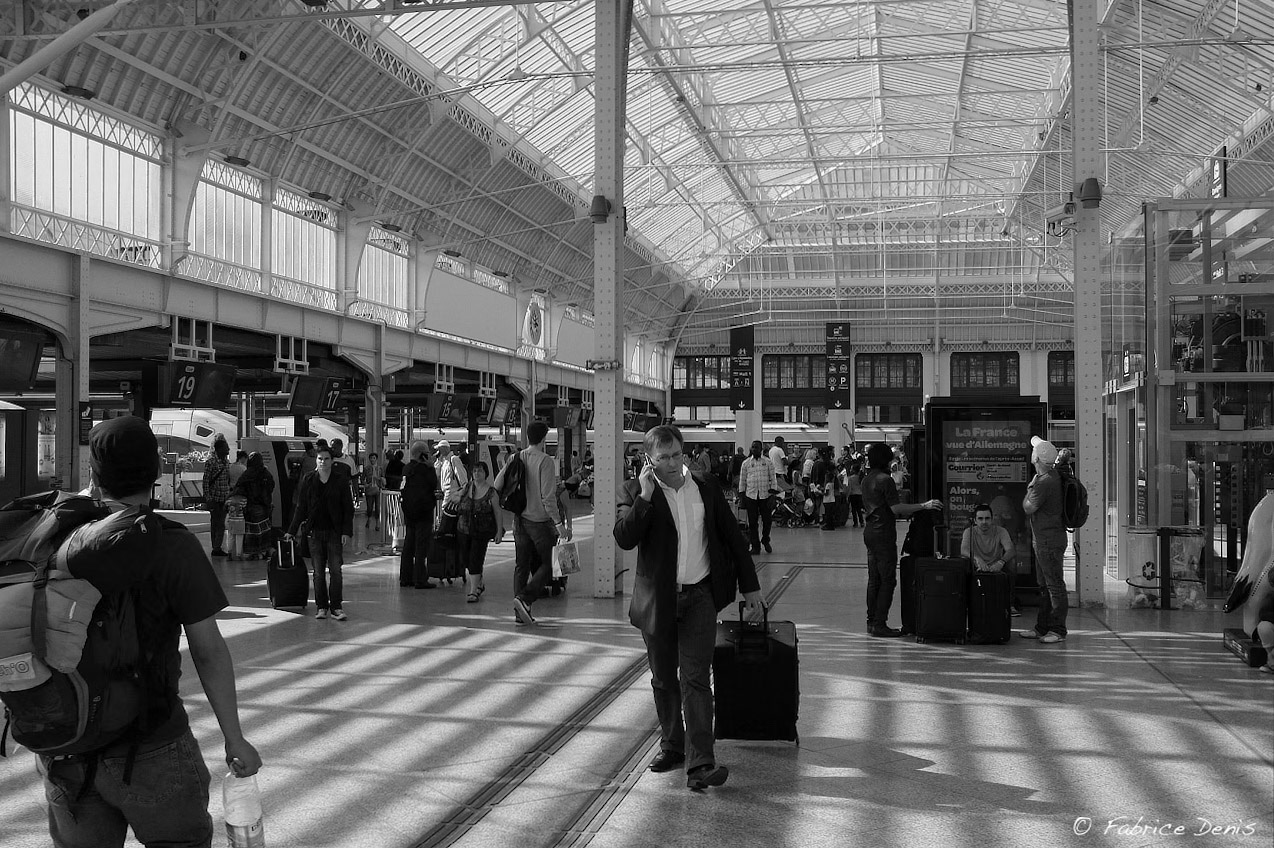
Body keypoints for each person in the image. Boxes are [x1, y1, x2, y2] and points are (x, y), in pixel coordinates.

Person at [36, 415, 261, 847]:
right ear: (155, 473)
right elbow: (208, 651)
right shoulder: (173, 544)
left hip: (67, 748)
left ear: (94, 475)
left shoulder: (57, 538)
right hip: (153, 743)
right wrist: (234, 738)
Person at [614, 425, 763, 792]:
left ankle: (701, 763)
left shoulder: (706, 486)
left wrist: (751, 588)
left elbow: (733, 537)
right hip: (658, 600)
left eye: (676, 455)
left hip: (700, 596)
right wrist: (645, 497)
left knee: (695, 678)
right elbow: (625, 537)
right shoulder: (633, 491)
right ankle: (672, 745)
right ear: (648, 460)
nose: (671, 463)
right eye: (662, 458)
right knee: (664, 678)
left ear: (684, 453)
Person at [862, 442, 942, 637]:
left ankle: (871, 620)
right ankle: (880, 623)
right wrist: (924, 505)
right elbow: (896, 509)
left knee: (874, 579)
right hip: (883, 534)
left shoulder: (867, 479)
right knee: (888, 580)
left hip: (870, 532)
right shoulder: (885, 480)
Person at [498, 420, 570, 625]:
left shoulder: (515, 457)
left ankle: (519, 612)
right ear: (544, 438)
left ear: (528, 436)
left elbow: (497, 484)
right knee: (551, 564)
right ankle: (525, 598)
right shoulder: (545, 461)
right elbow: (548, 497)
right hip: (539, 522)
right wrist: (559, 524)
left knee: (521, 565)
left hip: (519, 520)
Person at [287, 445, 354, 621]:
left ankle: (336, 607)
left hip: (334, 532)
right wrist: (291, 531)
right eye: (320, 459)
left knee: (335, 570)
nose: (323, 462)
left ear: (332, 461)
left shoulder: (340, 481)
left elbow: (348, 508)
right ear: (316, 461)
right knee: (318, 572)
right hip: (314, 532)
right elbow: (301, 507)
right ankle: (321, 606)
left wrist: (346, 532)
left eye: (326, 459)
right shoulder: (309, 479)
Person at [1021, 436, 1068, 644]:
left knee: (1054, 585)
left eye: (1034, 451)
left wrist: (1030, 488)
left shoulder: (1043, 482)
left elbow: (1028, 507)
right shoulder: (1052, 476)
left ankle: (1058, 629)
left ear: (1037, 458)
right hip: (1047, 539)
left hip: (1047, 541)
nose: (1031, 453)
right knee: (1045, 586)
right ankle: (1042, 627)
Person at [961, 502, 1020, 616]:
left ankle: (1010, 605)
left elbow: (1011, 550)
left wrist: (1001, 562)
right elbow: (963, 550)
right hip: (976, 566)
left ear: (992, 520)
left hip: (996, 565)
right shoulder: (969, 531)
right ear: (975, 520)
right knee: (962, 562)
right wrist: (977, 559)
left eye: (987, 518)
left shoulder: (1001, 531)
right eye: (980, 519)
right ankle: (965, 603)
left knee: (1012, 562)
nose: (984, 522)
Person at [457, 462, 505, 603]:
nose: (477, 473)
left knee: (475, 559)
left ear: (486, 474)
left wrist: (499, 531)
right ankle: (479, 582)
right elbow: (456, 498)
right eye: (475, 471)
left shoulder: (491, 492)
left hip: (481, 531)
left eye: (480, 471)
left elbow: (497, 511)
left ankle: (473, 591)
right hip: (463, 529)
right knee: (465, 558)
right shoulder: (467, 487)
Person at [399, 440, 439, 589]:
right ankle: (420, 579)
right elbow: (434, 484)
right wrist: (431, 467)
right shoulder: (426, 469)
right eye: (427, 453)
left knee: (408, 546)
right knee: (421, 547)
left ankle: (405, 577)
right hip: (424, 513)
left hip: (409, 512)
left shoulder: (407, 468)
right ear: (422, 455)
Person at [737, 440, 778, 555]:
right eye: (753, 447)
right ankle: (755, 546)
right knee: (753, 523)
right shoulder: (746, 463)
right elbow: (742, 480)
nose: (754, 449)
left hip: (765, 495)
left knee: (767, 521)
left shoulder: (768, 462)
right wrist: (741, 496)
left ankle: (765, 539)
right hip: (751, 496)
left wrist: (773, 494)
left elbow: (773, 478)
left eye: (756, 447)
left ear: (761, 449)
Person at [202, 434, 232, 556]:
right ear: (219, 449)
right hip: (214, 498)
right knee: (217, 523)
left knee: (219, 523)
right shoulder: (211, 463)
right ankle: (216, 547)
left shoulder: (227, 463)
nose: (228, 449)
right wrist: (208, 498)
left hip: (224, 498)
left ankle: (216, 547)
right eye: (225, 447)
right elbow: (205, 481)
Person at [435, 440, 468, 506]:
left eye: (439, 449)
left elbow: (462, 476)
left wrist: (463, 491)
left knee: (446, 509)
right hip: (446, 493)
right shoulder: (444, 462)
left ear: (444, 449)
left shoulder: (454, 459)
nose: (438, 452)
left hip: (453, 492)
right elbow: (438, 474)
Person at [362, 451, 383, 530]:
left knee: (377, 507)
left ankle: (377, 523)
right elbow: (362, 478)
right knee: (369, 506)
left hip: (377, 489)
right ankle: (369, 518)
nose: (372, 460)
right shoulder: (366, 468)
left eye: (374, 458)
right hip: (369, 490)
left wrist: (380, 481)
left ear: (376, 459)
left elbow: (383, 478)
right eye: (371, 458)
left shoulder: (380, 468)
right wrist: (365, 484)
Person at [846, 461, 864, 528]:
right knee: (859, 509)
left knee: (853, 510)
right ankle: (862, 522)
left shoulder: (850, 478)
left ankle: (855, 523)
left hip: (853, 494)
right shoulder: (860, 478)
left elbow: (849, 488)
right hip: (859, 494)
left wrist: (847, 496)